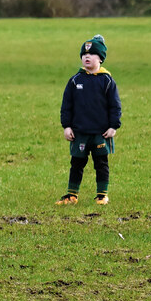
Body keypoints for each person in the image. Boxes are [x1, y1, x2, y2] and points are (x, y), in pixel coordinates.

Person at [56, 35, 121, 206]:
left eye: (91, 54)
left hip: (101, 133)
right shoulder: (75, 80)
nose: (87, 57)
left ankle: (102, 195)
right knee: (76, 163)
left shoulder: (107, 81)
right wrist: (67, 126)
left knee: (101, 164)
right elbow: (66, 106)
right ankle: (72, 195)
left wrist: (114, 126)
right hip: (80, 133)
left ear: (100, 58)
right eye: (84, 54)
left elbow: (115, 105)